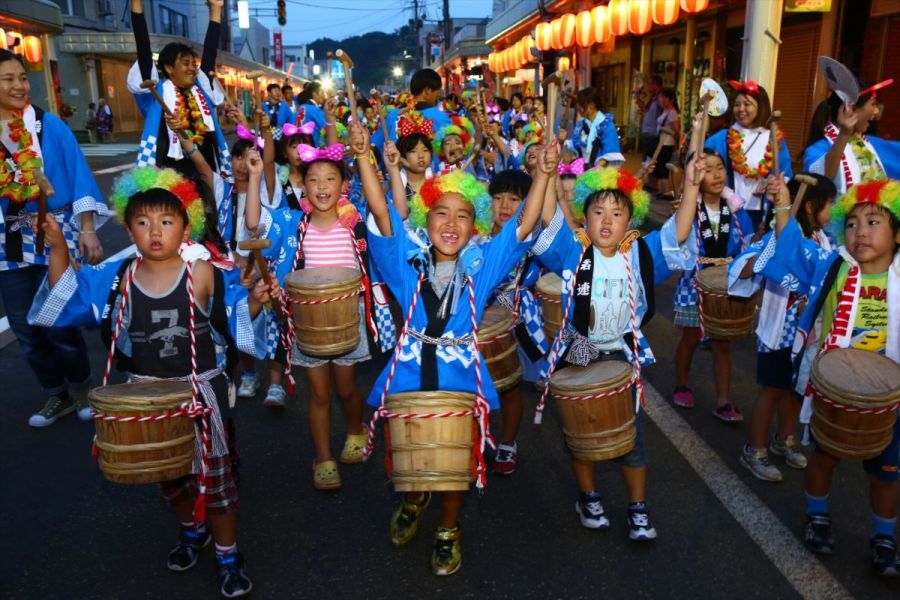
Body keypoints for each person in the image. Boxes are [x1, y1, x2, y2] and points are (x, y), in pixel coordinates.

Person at [29, 166, 273, 597]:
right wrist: (57, 247)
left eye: (166, 221)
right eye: (142, 223)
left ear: (186, 225)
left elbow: (236, 317)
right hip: (147, 394)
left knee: (216, 481)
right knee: (170, 476)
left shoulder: (203, 273)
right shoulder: (119, 277)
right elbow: (69, 292)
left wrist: (253, 301)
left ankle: (228, 553)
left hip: (202, 392)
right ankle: (190, 529)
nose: (155, 231)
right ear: (128, 228)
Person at [354, 120, 558, 576]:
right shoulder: (406, 265)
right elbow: (383, 217)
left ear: (475, 225)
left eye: (463, 215)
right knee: (408, 455)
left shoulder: (483, 267)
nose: (451, 223)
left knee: (456, 466)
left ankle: (448, 530)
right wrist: (365, 159)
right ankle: (411, 501)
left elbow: (523, 227)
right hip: (408, 377)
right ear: (426, 221)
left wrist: (543, 173)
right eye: (441, 213)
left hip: (461, 378)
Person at [530, 148, 701, 540]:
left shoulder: (642, 254)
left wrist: (690, 185)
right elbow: (547, 218)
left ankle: (637, 508)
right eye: (598, 212)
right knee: (581, 435)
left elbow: (678, 229)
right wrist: (547, 175)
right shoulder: (573, 253)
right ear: (584, 218)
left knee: (633, 438)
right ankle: (587, 496)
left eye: (617, 213)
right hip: (579, 351)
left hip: (623, 355)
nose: (607, 221)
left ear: (631, 218)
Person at [752, 177, 900, 577]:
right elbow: (792, 250)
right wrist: (784, 204)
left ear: (898, 233)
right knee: (825, 456)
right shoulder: (833, 265)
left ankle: (884, 538)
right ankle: (817, 516)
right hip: (835, 388)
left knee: (888, 473)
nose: (859, 233)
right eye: (851, 224)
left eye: (873, 222)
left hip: (890, 397)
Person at [244, 137, 377, 491]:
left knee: (347, 389)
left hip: (348, 317)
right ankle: (323, 456)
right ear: (302, 184)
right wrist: (256, 176)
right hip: (307, 321)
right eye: (314, 179)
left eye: (331, 179)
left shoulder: (355, 223)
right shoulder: (292, 224)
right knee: (318, 394)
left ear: (344, 185)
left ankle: (354, 428)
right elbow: (255, 224)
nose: (322, 187)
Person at [0, 48, 109, 427]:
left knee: (60, 320)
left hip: (53, 233)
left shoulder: (49, 127)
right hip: (7, 240)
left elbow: (79, 174)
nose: (19, 85)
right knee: (26, 329)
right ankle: (55, 396)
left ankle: (82, 389)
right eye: (8, 79)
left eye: (22, 77)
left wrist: (89, 229)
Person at [729, 173, 837, 482]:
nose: (832, 212)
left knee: (794, 389)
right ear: (812, 206)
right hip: (778, 330)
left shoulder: (821, 238)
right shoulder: (781, 236)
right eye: (830, 204)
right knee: (773, 389)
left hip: (805, 332)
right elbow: (746, 266)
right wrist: (770, 245)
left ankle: (785, 438)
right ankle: (755, 449)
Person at [672, 150, 752, 421]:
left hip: (724, 283)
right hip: (695, 279)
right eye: (708, 169)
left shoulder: (737, 208)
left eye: (720, 168)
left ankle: (724, 401)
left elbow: (748, 245)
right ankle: (682, 383)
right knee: (691, 337)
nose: (717, 174)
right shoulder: (689, 209)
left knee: (722, 343)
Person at [127, 0, 230, 180]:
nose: (192, 68)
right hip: (171, 175)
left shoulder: (201, 90)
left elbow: (210, 52)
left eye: (193, 64)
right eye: (185, 63)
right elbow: (143, 47)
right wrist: (136, 4)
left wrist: (216, 9)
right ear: (168, 67)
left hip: (206, 172)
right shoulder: (156, 93)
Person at [703, 80, 793, 233]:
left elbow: (785, 174)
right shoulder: (722, 138)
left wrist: (771, 182)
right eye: (737, 104)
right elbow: (699, 160)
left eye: (747, 104)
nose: (741, 109)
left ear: (761, 106)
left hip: (762, 212)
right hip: (727, 208)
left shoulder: (774, 138)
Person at [805, 79, 900, 194]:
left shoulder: (872, 144)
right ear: (851, 109)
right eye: (873, 104)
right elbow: (820, 182)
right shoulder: (819, 148)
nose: (876, 111)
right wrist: (843, 135)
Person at [372, 68, 452, 154]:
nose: (438, 95)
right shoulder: (441, 118)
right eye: (437, 91)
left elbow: (375, 147)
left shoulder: (393, 115)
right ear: (428, 90)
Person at [571, 87, 624, 168]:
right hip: (582, 171)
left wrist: (592, 173)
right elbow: (575, 149)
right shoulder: (581, 125)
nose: (578, 107)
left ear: (592, 105)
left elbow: (609, 154)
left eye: (581, 104)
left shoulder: (607, 126)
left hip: (599, 174)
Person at [653, 89, 680, 198]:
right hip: (661, 143)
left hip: (667, 144)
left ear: (671, 100)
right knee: (660, 166)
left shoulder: (672, 113)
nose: (662, 100)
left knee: (663, 167)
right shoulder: (665, 111)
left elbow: (676, 131)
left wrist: (664, 129)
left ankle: (667, 192)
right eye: (661, 97)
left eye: (665, 98)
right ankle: (663, 190)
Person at [637, 74, 662, 174]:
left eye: (649, 84)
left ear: (655, 84)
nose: (648, 86)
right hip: (648, 132)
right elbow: (645, 108)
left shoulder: (661, 97)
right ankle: (648, 181)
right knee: (646, 159)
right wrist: (638, 98)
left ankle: (649, 181)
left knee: (649, 160)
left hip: (653, 133)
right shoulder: (654, 97)